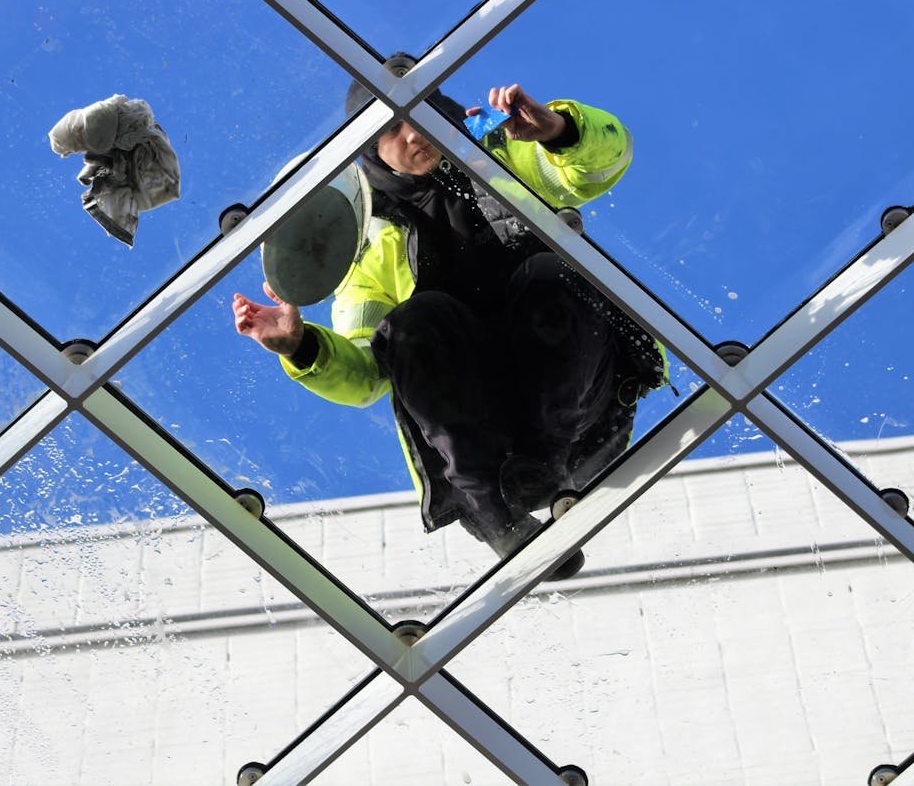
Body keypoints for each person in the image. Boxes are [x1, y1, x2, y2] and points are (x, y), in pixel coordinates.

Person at [233, 80, 666, 580]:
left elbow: (598, 166)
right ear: (369, 150)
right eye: (392, 128)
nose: (414, 133)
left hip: (581, 407)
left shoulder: (506, 151)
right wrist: (302, 346)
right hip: (482, 434)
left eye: (424, 114)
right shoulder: (367, 248)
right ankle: (497, 518)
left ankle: (546, 463)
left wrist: (558, 130)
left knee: (555, 271)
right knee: (413, 322)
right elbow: (369, 370)